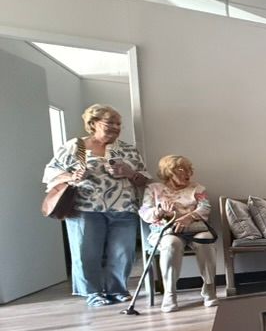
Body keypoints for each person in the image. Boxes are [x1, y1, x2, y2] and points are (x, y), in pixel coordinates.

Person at [42, 104, 149, 307]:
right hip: (85, 209)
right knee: (86, 252)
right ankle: (92, 293)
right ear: (93, 123)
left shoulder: (127, 149)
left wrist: (129, 173)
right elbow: (50, 173)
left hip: (123, 207)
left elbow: (144, 180)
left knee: (123, 252)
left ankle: (118, 289)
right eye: (110, 123)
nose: (116, 127)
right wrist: (72, 176)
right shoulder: (75, 147)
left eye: (119, 124)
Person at [139, 155, 218, 311]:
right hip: (166, 231)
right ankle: (170, 293)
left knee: (206, 240)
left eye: (190, 169)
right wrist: (159, 211)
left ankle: (209, 287)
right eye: (182, 169)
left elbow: (205, 207)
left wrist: (189, 217)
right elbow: (144, 211)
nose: (188, 173)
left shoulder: (198, 189)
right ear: (168, 172)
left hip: (194, 229)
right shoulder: (154, 189)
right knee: (171, 244)